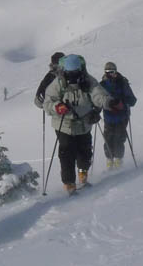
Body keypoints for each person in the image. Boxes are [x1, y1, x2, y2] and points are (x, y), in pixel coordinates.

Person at [43, 53, 111, 193]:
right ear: (64, 71)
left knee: (85, 150)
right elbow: (47, 102)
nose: (73, 75)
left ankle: (83, 174)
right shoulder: (58, 83)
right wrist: (57, 107)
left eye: (75, 72)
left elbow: (98, 93)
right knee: (66, 152)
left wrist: (108, 101)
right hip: (64, 124)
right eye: (70, 73)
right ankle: (69, 184)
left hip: (84, 122)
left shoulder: (87, 80)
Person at [99, 61, 137, 169]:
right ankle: (109, 162)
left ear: (115, 71)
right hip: (108, 117)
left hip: (122, 116)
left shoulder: (122, 83)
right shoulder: (101, 85)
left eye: (111, 71)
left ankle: (118, 162)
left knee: (119, 139)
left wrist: (122, 102)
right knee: (108, 140)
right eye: (107, 71)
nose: (109, 74)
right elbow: (98, 99)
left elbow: (132, 100)